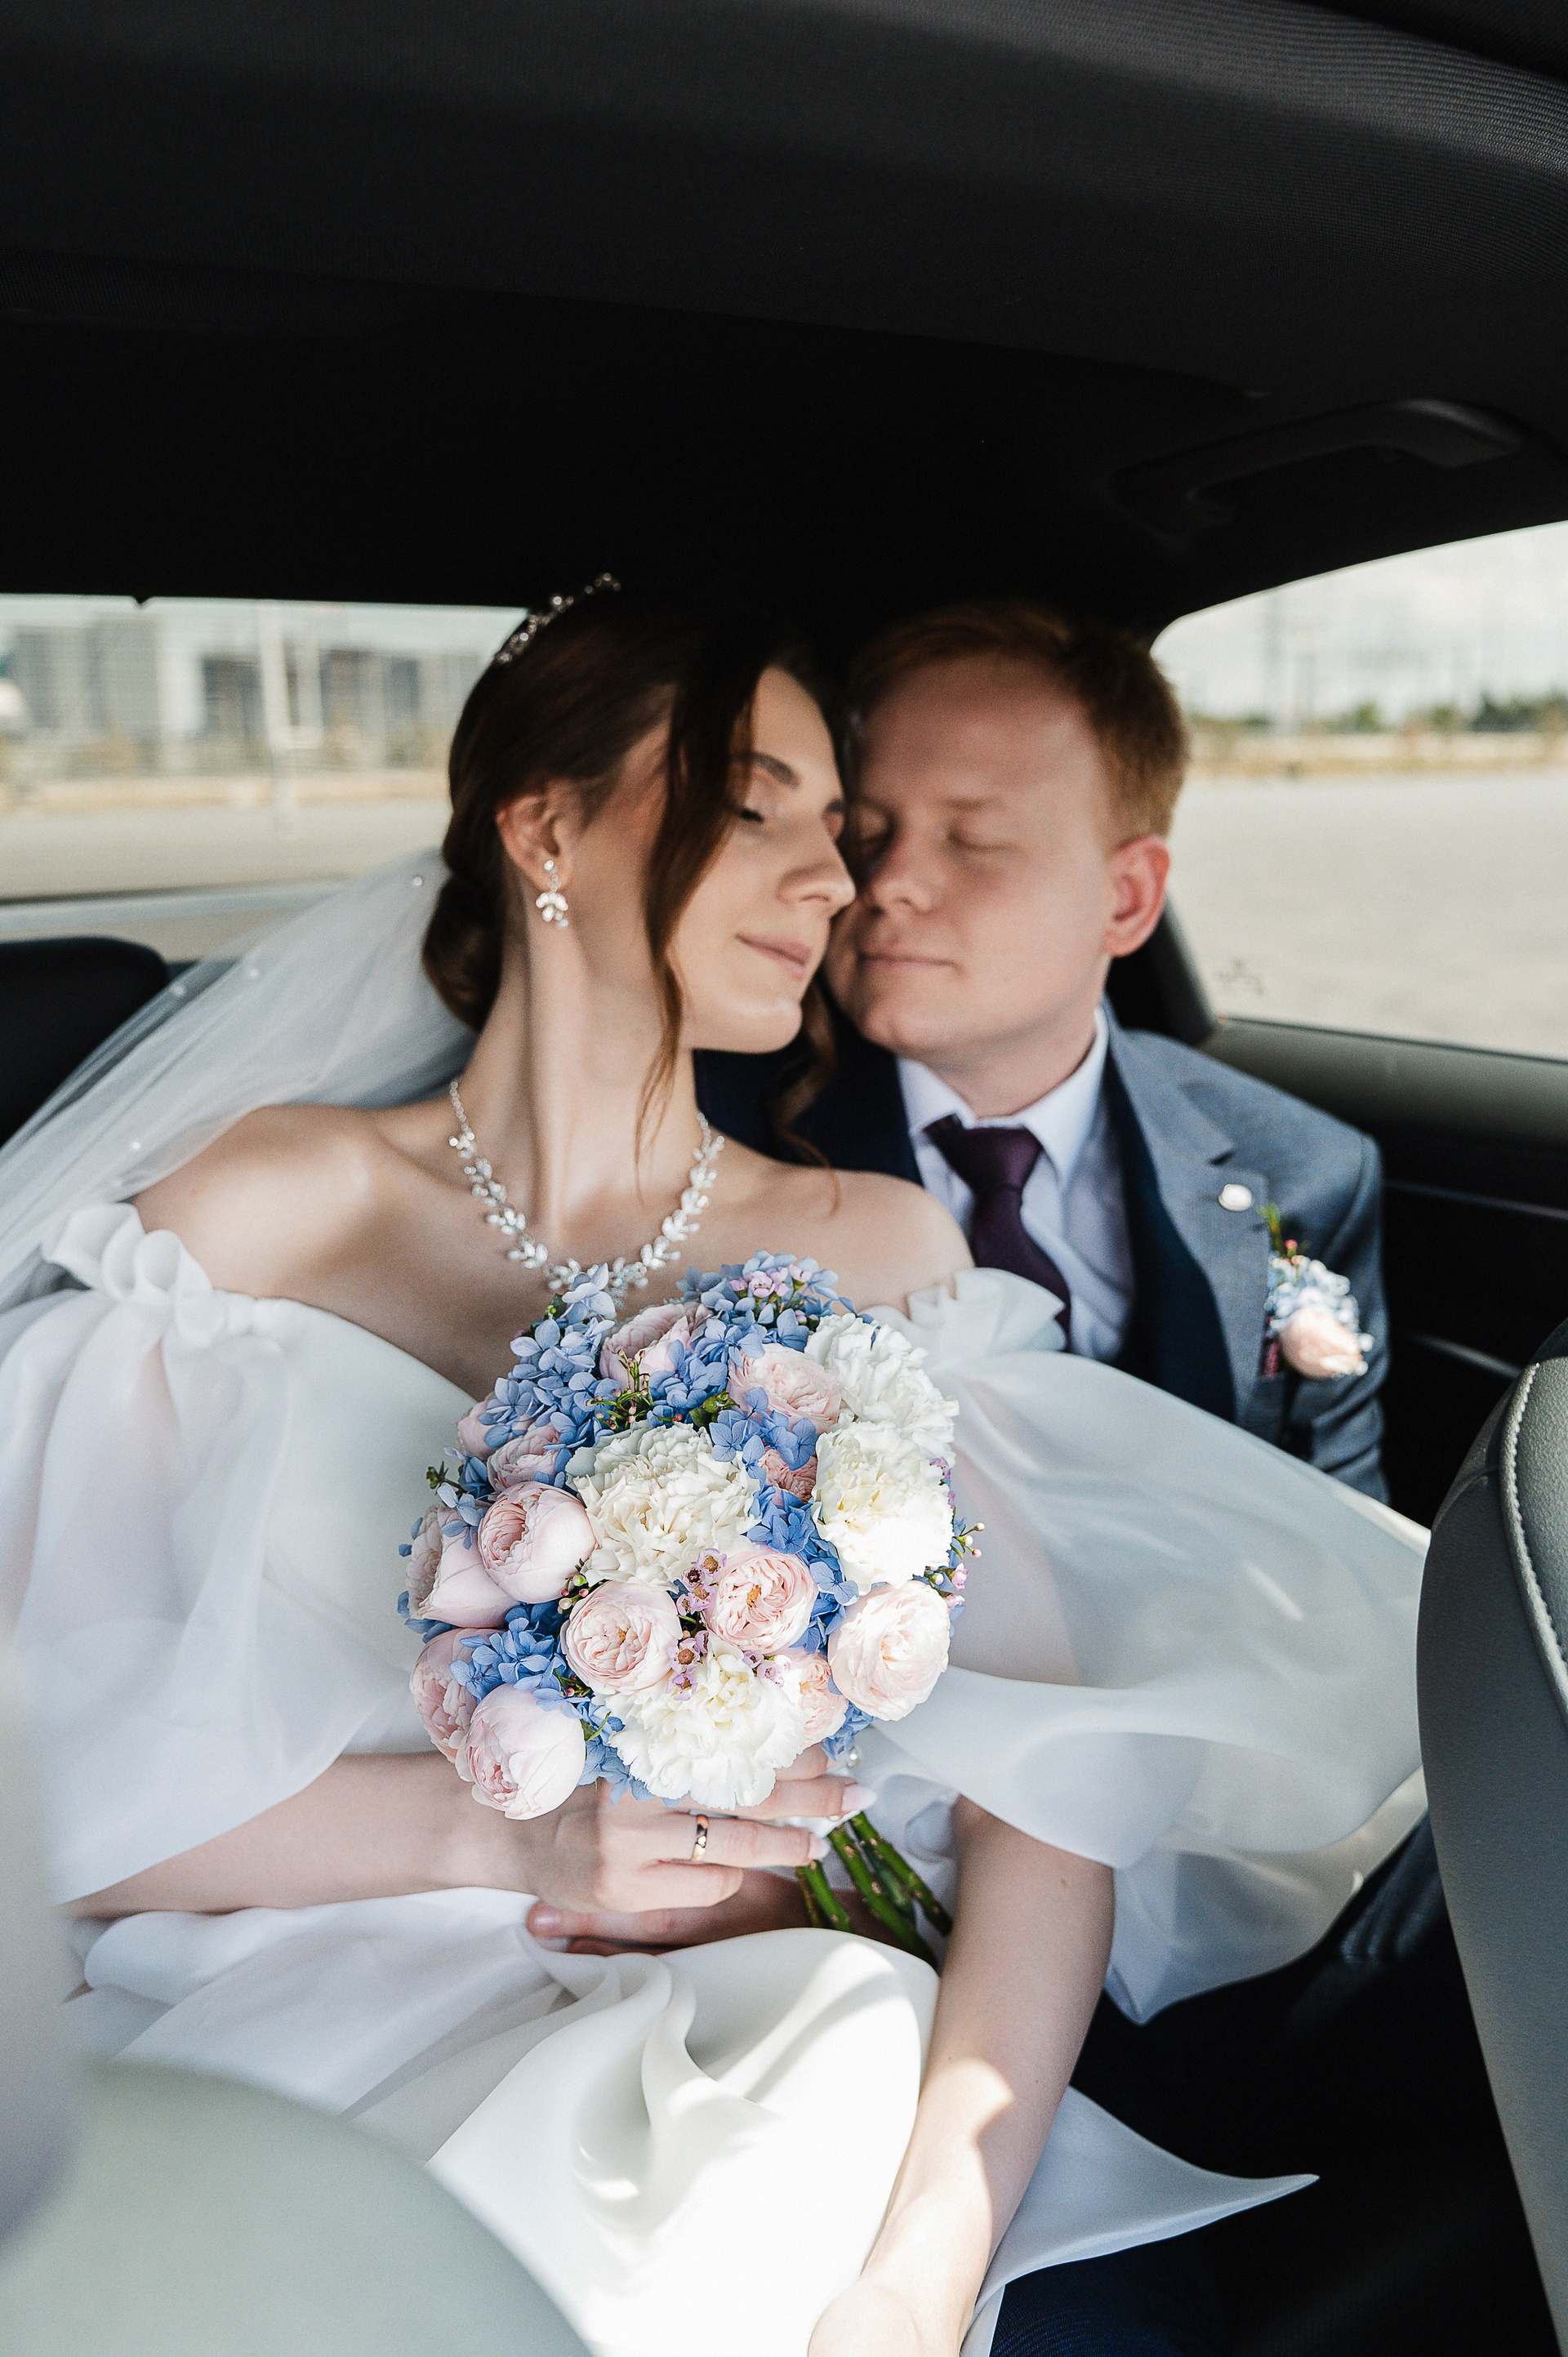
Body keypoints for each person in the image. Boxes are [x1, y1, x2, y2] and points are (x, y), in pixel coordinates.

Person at [0, 590, 1424, 2357]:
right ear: (545, 830)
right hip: (300, 2012)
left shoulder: (876, 1257)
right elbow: (46, 1793)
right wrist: (502, 1828)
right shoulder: (253, 1218)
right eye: (760, 809)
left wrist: (924, 2269)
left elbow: (1047, 1810)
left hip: (777, 2027)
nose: (836, 881)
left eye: (838, 828)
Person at [698, 599, 1388, 1498]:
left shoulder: (1306, 1173)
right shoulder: (711, 1143)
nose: (886, 882)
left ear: (1128, 899)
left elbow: (1338, 1526)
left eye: (974, 840)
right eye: (864, 835)